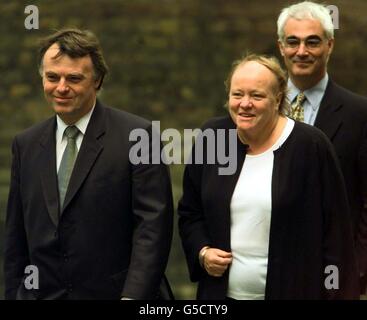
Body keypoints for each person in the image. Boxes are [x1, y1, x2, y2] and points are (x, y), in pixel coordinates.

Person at [4, 28, 174, 300]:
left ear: (97, 81)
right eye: (52, 77)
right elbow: (16, 235)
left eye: (73, 78)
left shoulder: (138, 137)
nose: (61, 87)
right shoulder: (25, 144)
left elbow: (152, 230)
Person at [178, 54, 359, 299]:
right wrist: (203, 252)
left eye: (257, 95)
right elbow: (190, 212)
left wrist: (335, 294)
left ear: (278, 99)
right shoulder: (214, 137)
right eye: (237, 94)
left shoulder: (311, 146)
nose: (245, 104)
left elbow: (336, 236)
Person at [277, 1, 367, 294]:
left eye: (312, 42)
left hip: (333, 278)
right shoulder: (259, 110)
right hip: (267, 272)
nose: (301, 51)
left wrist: (356, 271)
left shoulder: (360, 114)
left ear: (330, 45)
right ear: (281, 47)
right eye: (293, 42)